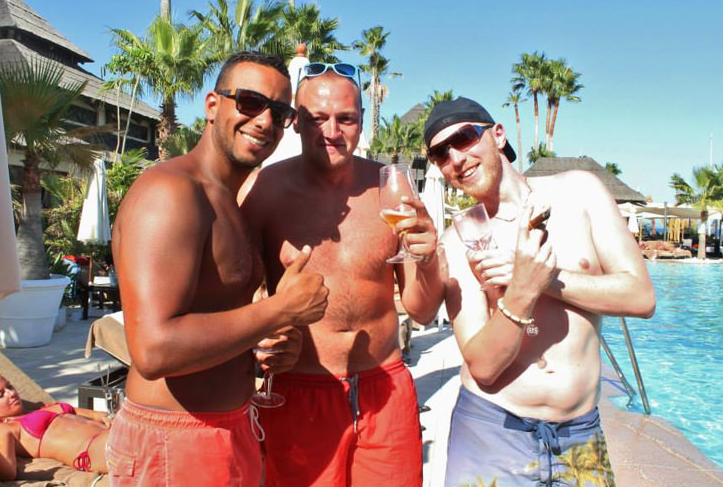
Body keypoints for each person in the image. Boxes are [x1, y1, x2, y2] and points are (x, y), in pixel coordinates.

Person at [107, 51, 328, 487]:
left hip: (229, 429)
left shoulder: (230, 202)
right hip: (174, 442)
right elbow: (153, 351)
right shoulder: (170, 193)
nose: (265, 120)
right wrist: (282, 310)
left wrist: (263, 349)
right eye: (248, 101)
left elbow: (215, 320)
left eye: (280, 112)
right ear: (212, 106)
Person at [423, 96, 656, 486]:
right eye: (440, 155)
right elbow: (483, 365)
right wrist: (521, 292)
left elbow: (640, 297)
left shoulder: (581, 193)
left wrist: (543, 279)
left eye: (464, 138)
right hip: (491, 431)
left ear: (497, 135)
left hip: (580, 435)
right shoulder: (460, 239)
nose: (456, 159)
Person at [242, 62, 444, 487]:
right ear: (295, 122)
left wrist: (428, 258)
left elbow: (422, 311)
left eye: (345, 119)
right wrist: (257, 338)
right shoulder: (264, 190)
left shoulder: (391, 187)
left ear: (361, 123)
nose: (331, 131)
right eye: (317, 118)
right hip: (298, 393)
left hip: (384, 389)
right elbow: (236, 293)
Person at [0, 372, 111, 481]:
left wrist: (109, 418)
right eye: (1, 395)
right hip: (94, 451)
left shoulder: (42, 407)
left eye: (9, 386)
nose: (11, 393)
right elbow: (7, 473)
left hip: (112, 435)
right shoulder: (4, 429)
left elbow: (97, 415)